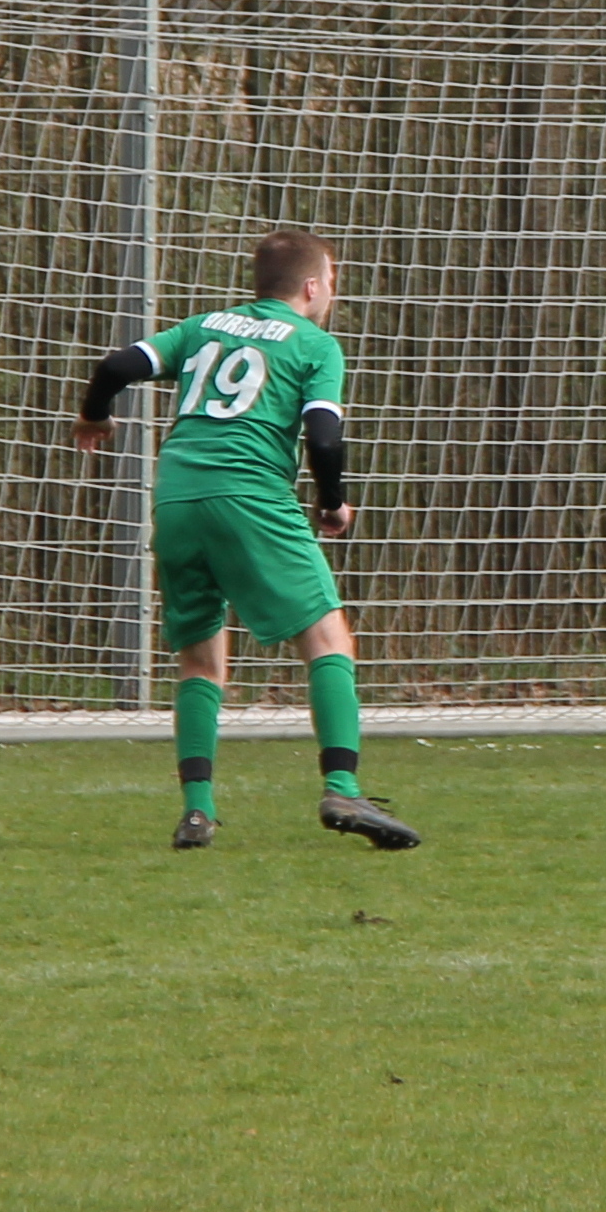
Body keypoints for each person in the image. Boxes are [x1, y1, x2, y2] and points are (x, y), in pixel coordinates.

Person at [72, 229, 420, 852]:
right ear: (313, 286)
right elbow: (322, 435)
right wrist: (333, 503)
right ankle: (342, 784)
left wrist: (94, 415)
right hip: (250, 495)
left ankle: (198, 812)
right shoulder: (315, 344)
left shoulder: (204, 325)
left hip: (176, 498)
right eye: (331, 280)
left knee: (201, 659)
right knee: (326, 637)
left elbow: (115, 367)